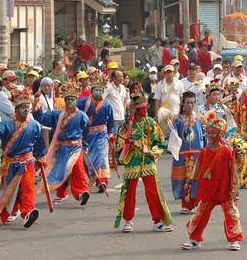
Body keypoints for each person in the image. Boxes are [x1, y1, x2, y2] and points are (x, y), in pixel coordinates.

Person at [0, 88, 46, 227]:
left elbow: (39, 142)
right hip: (11, 164)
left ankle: (28, 213)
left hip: (27, 161)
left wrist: (41, 156)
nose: (25, 110)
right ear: (16, 109)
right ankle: (7, 213)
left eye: (27, 107)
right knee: (10, 191)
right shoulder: (7, 125)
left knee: (28, 188)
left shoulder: (34, 125)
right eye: (22, 107)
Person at [113, 92, 173, 233]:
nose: (145, 111)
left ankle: (157, 221)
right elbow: (119, 145)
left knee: (153, 191)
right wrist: (129, 146)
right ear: (135, 109)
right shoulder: (127, 126)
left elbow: (161, 142)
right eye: (141, 109)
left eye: (146, 108)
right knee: (129, 191)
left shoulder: (151, 123)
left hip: (148, 161)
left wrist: (152, 152)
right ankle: (128, 221)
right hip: (133, 161)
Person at [182, 111, 243, 251]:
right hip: (208, 188)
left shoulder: (227, 151)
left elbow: (233, 171)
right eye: (208, 132)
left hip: (224, 188)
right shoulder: (204, 151)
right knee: (201, 214)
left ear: (220, 133)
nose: (209, 136)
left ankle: (234, 240)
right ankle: (194, 239)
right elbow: (198, 169)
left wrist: (234, 189)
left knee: (230, 214)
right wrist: (190, 181)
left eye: (213, 133)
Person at [32, 81, 91, 206]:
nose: (70, 102)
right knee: (62, 169)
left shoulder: (82, 116)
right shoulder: (57, 114)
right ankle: (61, 193)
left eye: (73, 99)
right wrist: (36, 105)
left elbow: (86, 132)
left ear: (77, 101)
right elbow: (41, 119)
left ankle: (81, 192)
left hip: (76, 147)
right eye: (68, 99)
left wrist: (85, 146)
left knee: (77, 168)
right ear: (64, 100)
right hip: (62, 147)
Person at [78, 71, 115, 193]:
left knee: (102, 156)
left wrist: (110, 132)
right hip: (87, 135)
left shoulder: (107, 104)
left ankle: (102, 181)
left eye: (100, 90)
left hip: (101, 135)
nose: (98, 92)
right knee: (90, 159)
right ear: (92, 90)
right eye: (96, 90)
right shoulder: (83, 102)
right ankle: (94, 177)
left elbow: (110, 121)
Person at [170, 92, 205, 214]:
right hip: (182, 154)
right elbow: (173, 138)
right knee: (183, 179)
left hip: (197, 154)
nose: (190, 105)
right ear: (182, 103)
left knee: (196, 178)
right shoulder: (177, 120)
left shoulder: (199, 118)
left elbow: (202, 136)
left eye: (192, 102)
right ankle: (186, 205)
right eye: (187, 102)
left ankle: (196, 203)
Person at [153, 65, 184, 132]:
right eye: (167, 72)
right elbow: (157, 100)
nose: (169, 74)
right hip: (164, 114)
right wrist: (156, 114)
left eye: (170, 72)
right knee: (165, 134)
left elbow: (182, 98)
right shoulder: (160, 84)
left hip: (176, 113)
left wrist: (181, 112)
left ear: (173, 73)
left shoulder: (179, 83)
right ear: (164, 73)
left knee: (177, 133)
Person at [103, 69, 130, 136]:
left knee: (120, 138)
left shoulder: (123, 87)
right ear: (113, 78)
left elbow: (125, 100)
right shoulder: (108, 87)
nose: (121, 78)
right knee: (112, 138)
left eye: (122, 76)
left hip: (122, 117)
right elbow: (102, 99)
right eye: (119, 77)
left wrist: (124, 110)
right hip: (113, 118)